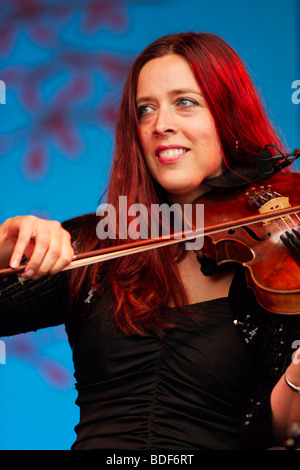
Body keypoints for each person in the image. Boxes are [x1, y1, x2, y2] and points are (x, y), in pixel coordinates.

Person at [0, 32, 299, 451]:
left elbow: (280, 431)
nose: (161, 125)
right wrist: (3, 243)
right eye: (146, 110)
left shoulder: (281, 265)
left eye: (185, 102)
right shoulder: (94, 241)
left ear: (228, 114)